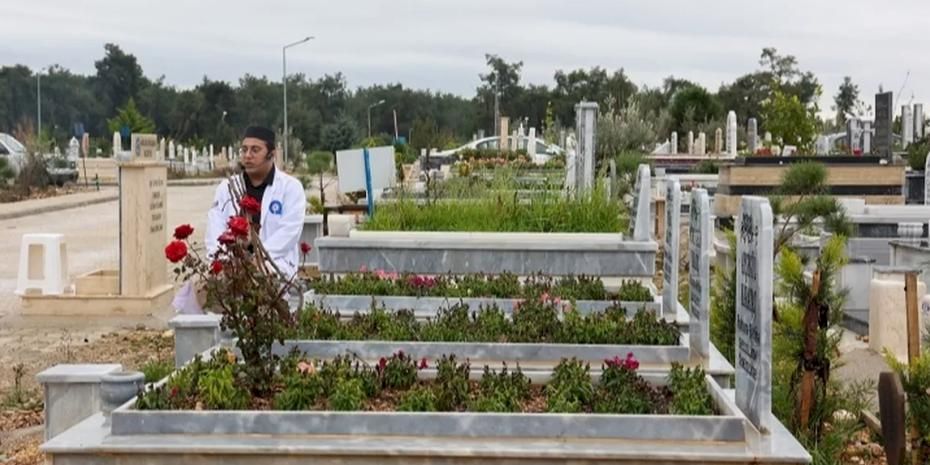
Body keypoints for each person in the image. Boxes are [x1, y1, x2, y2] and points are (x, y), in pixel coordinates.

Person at [205, 126, 306, 279]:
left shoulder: (290, 188)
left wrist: (256, 259)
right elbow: (215, 228)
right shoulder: (227, 188)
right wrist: (225, 261)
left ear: (271, 154)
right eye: (244, 150)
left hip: (275, 265)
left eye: (255, 150)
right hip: (231, 268)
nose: (248, 155)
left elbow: (289, 233)